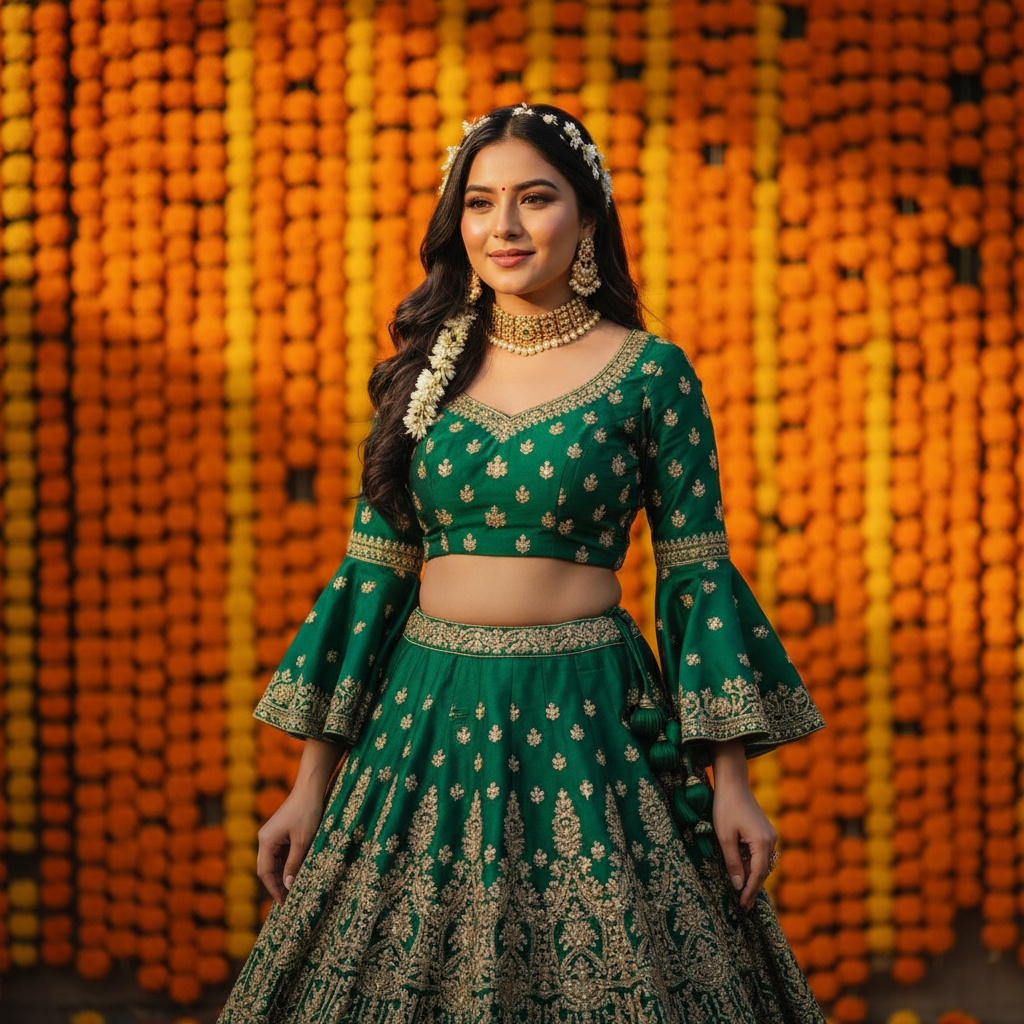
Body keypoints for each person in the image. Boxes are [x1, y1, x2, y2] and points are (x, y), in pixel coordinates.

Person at [218, 102, 827, 1023]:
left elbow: (696, 574)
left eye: (534, 199)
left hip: (590, 718)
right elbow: (374, 575)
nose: (502, 227)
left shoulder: (651, 373)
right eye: (479, 202)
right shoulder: (423, 374)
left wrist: (731, 784)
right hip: (425, 720)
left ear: (586, 217)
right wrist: (309, 788)